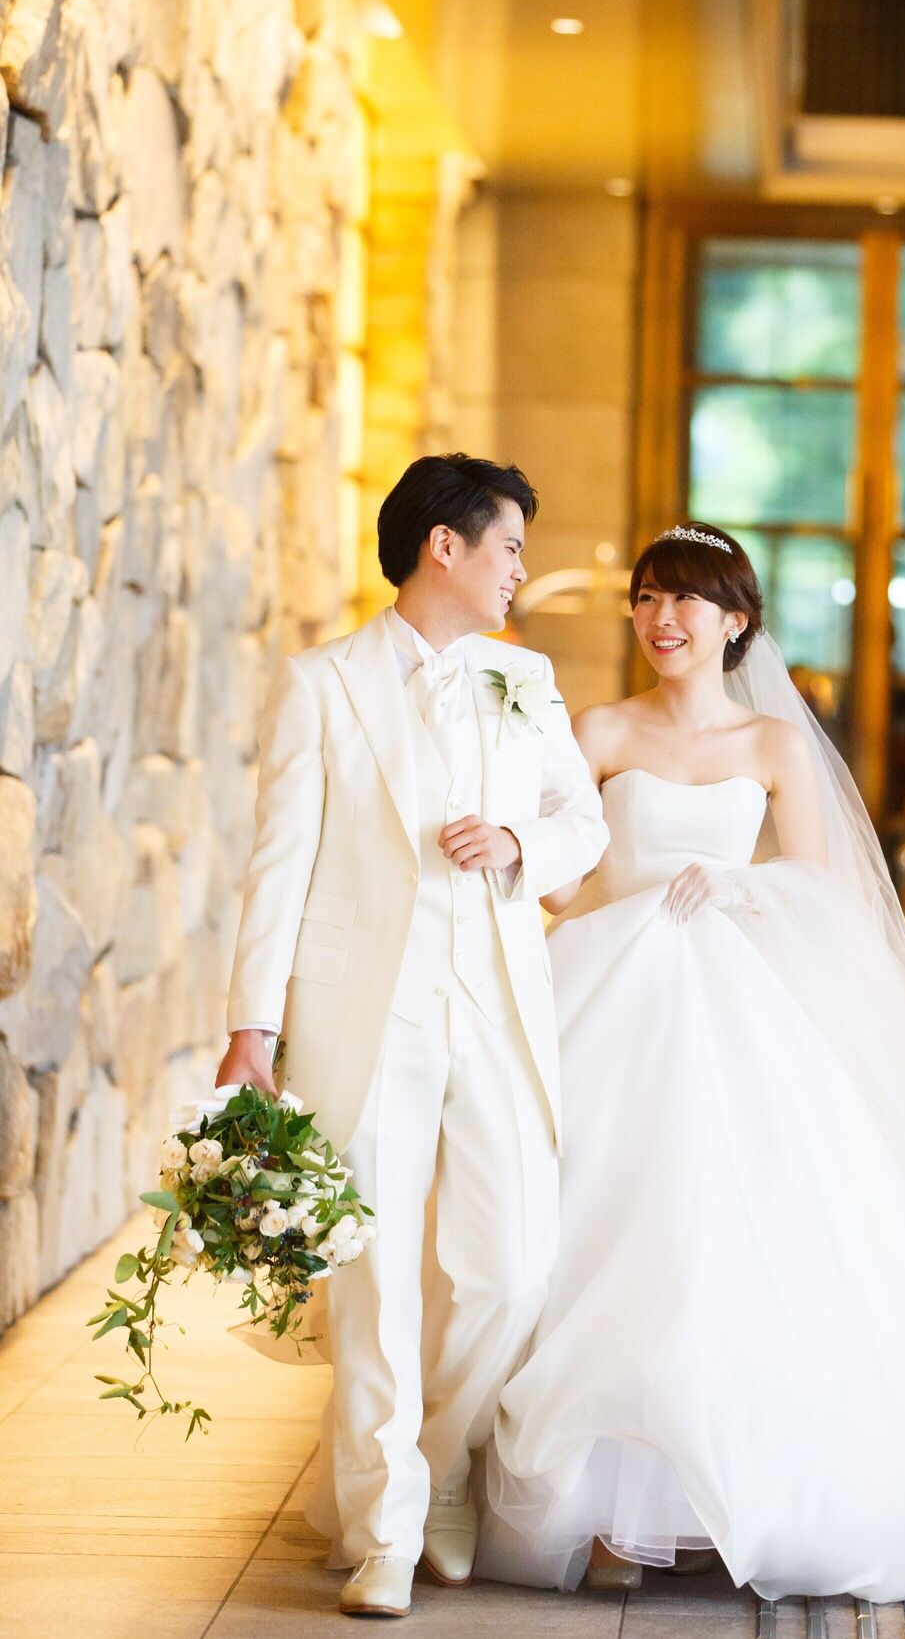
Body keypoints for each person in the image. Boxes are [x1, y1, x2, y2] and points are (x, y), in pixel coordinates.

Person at [477, 522, 905, 1606]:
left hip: (732, 993)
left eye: (685, 600)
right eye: (646, 597)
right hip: (609, 985)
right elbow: (563, 878)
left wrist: (741, 884)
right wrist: (514, 839)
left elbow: (821, 884)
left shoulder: (774, 744)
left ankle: (728, 1500)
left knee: (732, 1230)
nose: (661, 618)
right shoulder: (598, 728)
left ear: (734, 622)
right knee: (603, 1225)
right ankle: (603, 1512)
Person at [216, 454, 609, 1619]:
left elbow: (581, 818)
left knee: (510, 1267)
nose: (520, 569)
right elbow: (277, 862)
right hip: (361, 1011)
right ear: (445, 545)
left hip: (495, 999)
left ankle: (433, 1462)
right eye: (509, 546)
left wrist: (521, 845)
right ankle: (385, 1528)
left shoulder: (523, 677)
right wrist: (252, 1026)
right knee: (371, 1273)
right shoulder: (321, 683)